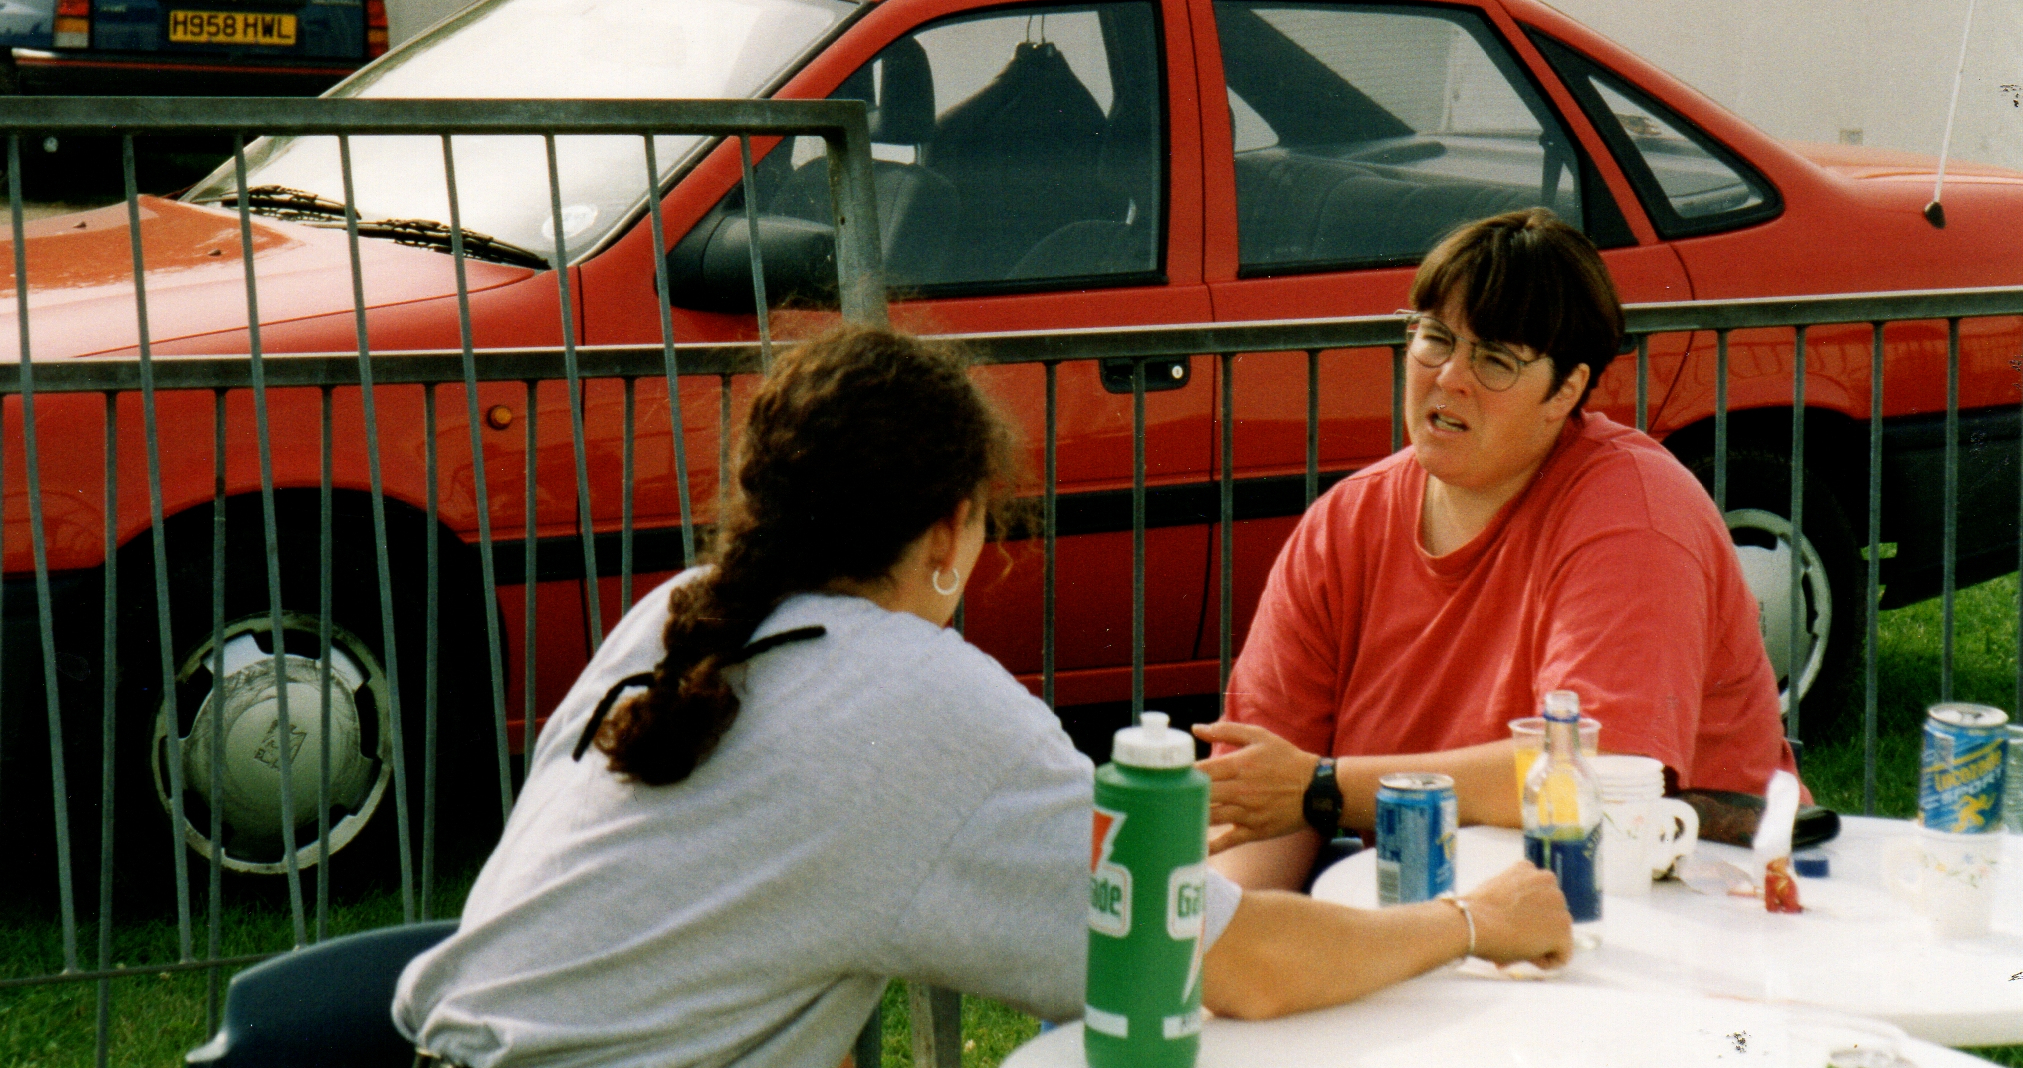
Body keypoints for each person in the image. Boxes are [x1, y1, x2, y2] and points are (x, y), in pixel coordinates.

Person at [394, 324, 1572, 1067]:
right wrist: (1472, 923)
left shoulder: (681, 609)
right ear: (952, 527)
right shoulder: (928, 700)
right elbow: (1232, 963)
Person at [1198, 209, 1801, 893]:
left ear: (1566, 390)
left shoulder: (1631, 508)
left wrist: (1326, 786)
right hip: (1446, 910)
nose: (1450, 376)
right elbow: (1264, 804)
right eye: (1434, 338)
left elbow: (1592, 769)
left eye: (1493, 358)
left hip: (1694, 903)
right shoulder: (1341, 524)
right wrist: (1219, 950)